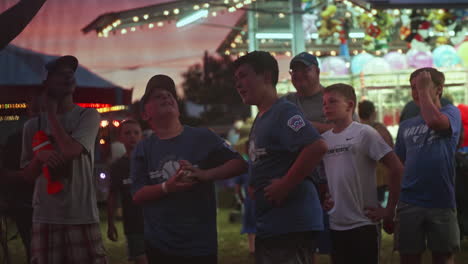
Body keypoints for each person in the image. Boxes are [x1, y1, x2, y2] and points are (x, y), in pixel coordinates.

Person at [131, 74, 247, 264]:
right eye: (158, 96)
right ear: (145, 114)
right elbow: (137, 194)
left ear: (178, 108)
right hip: (159, 246)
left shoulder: (203, 137)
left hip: (200, 246)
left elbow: (240, 164)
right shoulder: (143, 149)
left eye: (170, 95)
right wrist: (167, 187)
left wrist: (205, 174)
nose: (166, 97)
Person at [233, 51, 327, 264]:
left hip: (290, 222)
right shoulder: (262, 116)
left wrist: (285, 184)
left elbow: (316, 146)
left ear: (266, 76)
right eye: (236, 80)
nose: (238, 84)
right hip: (271, 223)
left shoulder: (284, 112)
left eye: (243, 76)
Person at [20, 55, 106, 264]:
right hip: (45, 216)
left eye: (70, 73)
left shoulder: (88, 116)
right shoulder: (31, 127)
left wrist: (50, 113)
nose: (68, 76)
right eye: (60, 73)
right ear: (46, 82)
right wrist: (39, 158)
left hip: (81, 214)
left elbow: (70, 150)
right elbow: (28, 175)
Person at [321, 83, 403, 264]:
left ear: (350, 105)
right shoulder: (324, 140)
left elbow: (396, 167)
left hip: (363, 223)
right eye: (324, 102)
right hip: (336, 224)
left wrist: (389, 210)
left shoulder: (365, 133)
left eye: (332, 101)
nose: (326, 106)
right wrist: (327, 195)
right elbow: (332, 174)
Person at [394, 68, 461, 264]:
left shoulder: (451, 113)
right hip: (409, 201)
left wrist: (424, 93)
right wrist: (391, 206)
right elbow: (399, 165)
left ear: (439, 89)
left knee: (443, 255)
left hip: (440, 200)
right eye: (413, 88)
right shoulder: (406, 126)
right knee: (408, 255)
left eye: (422, 87)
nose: (417, 92)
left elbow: (434, 121)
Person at [284, 51, 335, 262]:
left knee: (336, 240)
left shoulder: (332, 97)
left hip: (332, 179)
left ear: (318, 71)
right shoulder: (286, 102)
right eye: (294, 70)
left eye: (305, 69)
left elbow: (347, 130)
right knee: (304, 242)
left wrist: (308, 127)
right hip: (300, 179)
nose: (299, 74)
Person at [107, 119, 147, 264]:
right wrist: (111, 223)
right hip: (133, 225)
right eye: (128, 133)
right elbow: (112, 195)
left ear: (141, 136)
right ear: (120, 138)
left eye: (136, 133)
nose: (132, 136)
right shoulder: (117, 166)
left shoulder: (150, 160)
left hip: (156, 222)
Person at [358, 99, 394, 204]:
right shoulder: (379, 129)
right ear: (373, 113)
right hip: (379, 178)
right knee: (378, 205)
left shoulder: (356, 129)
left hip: (362, 178)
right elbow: (391, 149)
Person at [233, 140, 256, 255]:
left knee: (250, 224)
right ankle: (254, 248)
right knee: (255, 223)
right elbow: (237, 186)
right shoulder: (259, 163)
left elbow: (237, 187)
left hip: (249, 199)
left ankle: (252, 249)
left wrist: (241, 198)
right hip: (255, 199)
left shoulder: (243, 165)